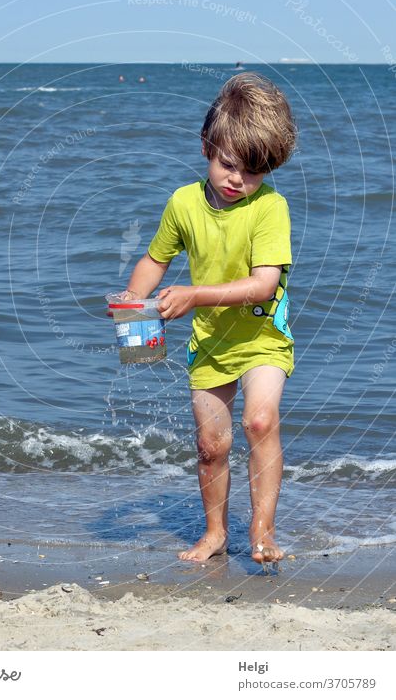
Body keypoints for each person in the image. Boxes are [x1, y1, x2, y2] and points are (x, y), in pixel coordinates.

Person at [122, 72, 296, 567]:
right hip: (212, 343)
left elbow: (263, 285)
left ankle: (262, 531)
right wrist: (133, 308)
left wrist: (196, 294)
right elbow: (155, 260)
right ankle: (215, 532)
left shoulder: (270, 209)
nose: (239, 180)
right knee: (210, 444)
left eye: (255, 172)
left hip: (264, 336)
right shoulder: (182, 203)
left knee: (259, 421)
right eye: (229, 165)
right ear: (206, 146)